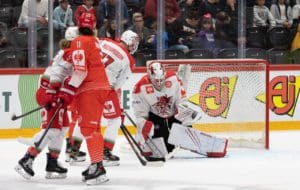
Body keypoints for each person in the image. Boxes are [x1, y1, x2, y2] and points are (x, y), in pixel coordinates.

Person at [14, 27, 79, 180]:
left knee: (62, 127)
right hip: (51, 91)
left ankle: (52, 163)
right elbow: (57, 75)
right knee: (53, 129)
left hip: (54, 91)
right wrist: (51, 94)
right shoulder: (70, 53)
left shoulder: (67, 52)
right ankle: (27, 159)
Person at [67, 30, 139, 166]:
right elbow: (118, 84)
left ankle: (72, 152)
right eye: (134, 42)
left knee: (84, 118)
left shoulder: (104, 41)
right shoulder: (129, 60)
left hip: (86, 82)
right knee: (115, 119)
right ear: (129, 42)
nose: (134, 46)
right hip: (104, 87)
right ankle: (106, 152)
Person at [132, 62, 228, 158]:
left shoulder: (174, 79)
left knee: (185, 130)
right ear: (149, 76)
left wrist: (184, 114)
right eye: (155, 80)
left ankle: (201, 142)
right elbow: (140, 114)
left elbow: (182, 101)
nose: (159, 83)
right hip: (156, 118)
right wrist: (144, 127)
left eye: (161, 79)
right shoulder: (139, 88)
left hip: (174, 114)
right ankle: (154, 142)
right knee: (165, 151)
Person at [67, 12, 111, 185]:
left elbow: (80, 70)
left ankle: (98, 167)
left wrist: (69, 89)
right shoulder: (95, 41)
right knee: (94, 129)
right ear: (93, 26)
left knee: (88, 129)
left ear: (78, 24)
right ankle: (97, 164)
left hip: (90, 88)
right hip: (101, 87)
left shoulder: (78, 41)